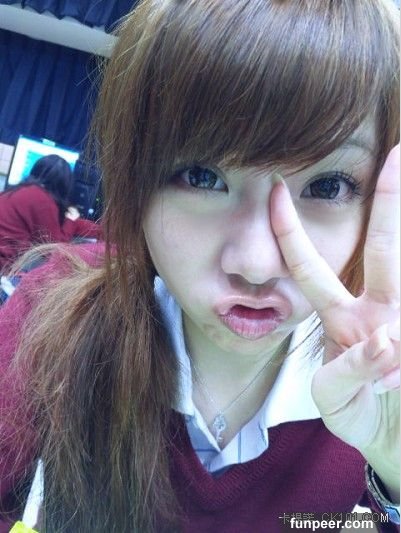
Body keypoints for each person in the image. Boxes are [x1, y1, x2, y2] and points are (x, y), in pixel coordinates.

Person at [0, 1, 399, 531]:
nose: (257, 264)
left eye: (326, 187)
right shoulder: (56, 313)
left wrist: (394, 475)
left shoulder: (378, 372)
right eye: (203, 177)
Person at [0, 154, 102, 272]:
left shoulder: (17, 190)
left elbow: (65, 223)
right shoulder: (43, 200)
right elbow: (54, 251)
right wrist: (71, 220)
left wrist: (99, 230)